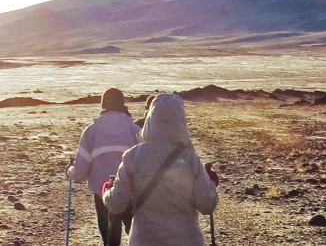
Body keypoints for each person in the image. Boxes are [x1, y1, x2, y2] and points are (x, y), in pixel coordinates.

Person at [101, 93, 219, 246]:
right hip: (186, 239)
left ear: (150, 118)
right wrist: (211, 183)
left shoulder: (132, 157)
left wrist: (107, 192)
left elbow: (116, 205)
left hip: (145, 240)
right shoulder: (190, 159)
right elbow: (207, 205)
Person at [68, 88, 142, 246]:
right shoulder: (135, 131)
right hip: (131, 192)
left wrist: (69, 171)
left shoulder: (91, 131)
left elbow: (80, 173)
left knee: (110, 241)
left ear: (103, 104)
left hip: (102, 193)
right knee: (136, 239)